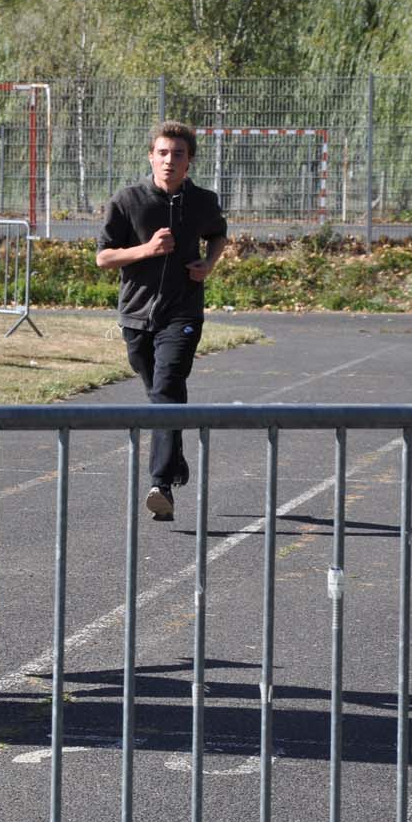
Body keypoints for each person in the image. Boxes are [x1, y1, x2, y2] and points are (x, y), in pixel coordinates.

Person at [96, 122, 227, 522]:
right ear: (151, 156)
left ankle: (160, 485)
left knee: (167, 384)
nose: (170, 160)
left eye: (179, 154)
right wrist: (147, 249)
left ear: (189, 161)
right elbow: (103, 258)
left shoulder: (203, 201)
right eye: (164, 153)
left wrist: (209, 263)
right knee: (161, 396)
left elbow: (218, 234)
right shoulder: (127, 200)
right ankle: (175, 457)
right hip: (136, 314)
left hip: (183, 312)